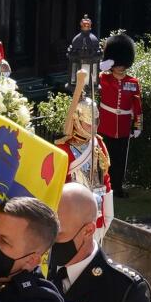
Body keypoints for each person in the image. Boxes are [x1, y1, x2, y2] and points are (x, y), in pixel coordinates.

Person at [58, 69, 113, 228]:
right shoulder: (64, 149)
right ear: (76, 121)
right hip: (73, 215)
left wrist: (108, 214)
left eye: (95, 122)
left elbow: (105, 179)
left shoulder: (98, 143)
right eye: (89, 124)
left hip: (98, 213)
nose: (93, 127)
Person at [97, 33, 142, 193]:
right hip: (105, 124)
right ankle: (102, 184)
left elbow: (137, 106)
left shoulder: (133, 82)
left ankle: (117, 186)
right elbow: (89, 76)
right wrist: (103, 65)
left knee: (120, 159)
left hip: (123, 126)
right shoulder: (103, 78)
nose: (119, 66)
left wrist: (137, 126)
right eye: (116, 62)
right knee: (103, 157)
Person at [65, 15, 100, 89]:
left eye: (88, 24)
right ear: (81, 25)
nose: (86, 26)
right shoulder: (77, 39)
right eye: (84, 24)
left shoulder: (93, 40)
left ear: (90, 25)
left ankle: (88, 84)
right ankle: (78, 82)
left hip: (90, 86)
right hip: (77, 84)